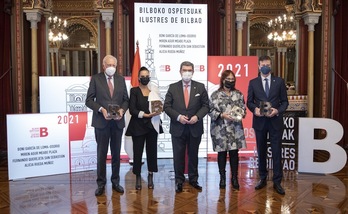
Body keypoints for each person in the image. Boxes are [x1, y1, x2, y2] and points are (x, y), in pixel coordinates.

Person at [85, 55, 129, 196]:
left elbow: (126, 100)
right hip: (101, 122)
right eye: (109, 65)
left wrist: (122, 110)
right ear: (103, 66)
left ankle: (115, 181)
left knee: (116, 153)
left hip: (117, 123)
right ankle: (101, 183)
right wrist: (101, 109)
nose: (111, 68)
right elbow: (89, 100)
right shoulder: (96, 79)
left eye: (114, 65)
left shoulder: (120, 79)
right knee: (101, 154)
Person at [164, 61, 209, 193]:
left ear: (193, 72)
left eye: (189, 70)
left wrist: (197, 117)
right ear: (180, 71)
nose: (187, 72)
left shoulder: (200, 87)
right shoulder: (173, 87)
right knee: (178, 155)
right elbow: (167, 106)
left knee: (193, 155)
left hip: (195, 127)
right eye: (184, 70)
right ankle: (179, 180)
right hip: (178, 127)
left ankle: (194, 179)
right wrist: (178, 117)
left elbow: (206, 106)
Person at [246, 55, 289, 195]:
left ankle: (277, 181)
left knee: (277, 152)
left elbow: (285, 102)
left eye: (268, 65)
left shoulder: (279, 82)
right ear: (258, 66)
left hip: (275, 121)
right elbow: (249, 102)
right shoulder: (253, 82)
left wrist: (277, 110)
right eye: (263, 64)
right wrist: (255, 110)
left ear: (271, 66)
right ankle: (262, 178)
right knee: (262, 151)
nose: (266, 67)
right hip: (260, 122)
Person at [125, 66, 163, 190]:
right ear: (138, 78)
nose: (145, 78)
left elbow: (159, 106)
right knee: (138, 152)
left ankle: (151, 175)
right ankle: (137, 176)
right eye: (143, 76)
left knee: (152, 152)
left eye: (147, 76)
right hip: (138, 126)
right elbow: (132, 109)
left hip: (152, 125)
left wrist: (158, 110)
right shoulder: (134, 91)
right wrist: (145, 115)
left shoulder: (154, 90)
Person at [208, 70, 247, 190]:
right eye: (228, 79)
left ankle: (234, 178)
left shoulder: (238, 94)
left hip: (235, 129)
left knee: (234, 153)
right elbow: (210, 111)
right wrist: (222, 115)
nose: (230, 81)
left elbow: (244, 110)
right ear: (223, 80)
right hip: (220, 129)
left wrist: (239, 114)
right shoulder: (215, 95)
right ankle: (222, 178)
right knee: (222, 153)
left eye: (232, 79)